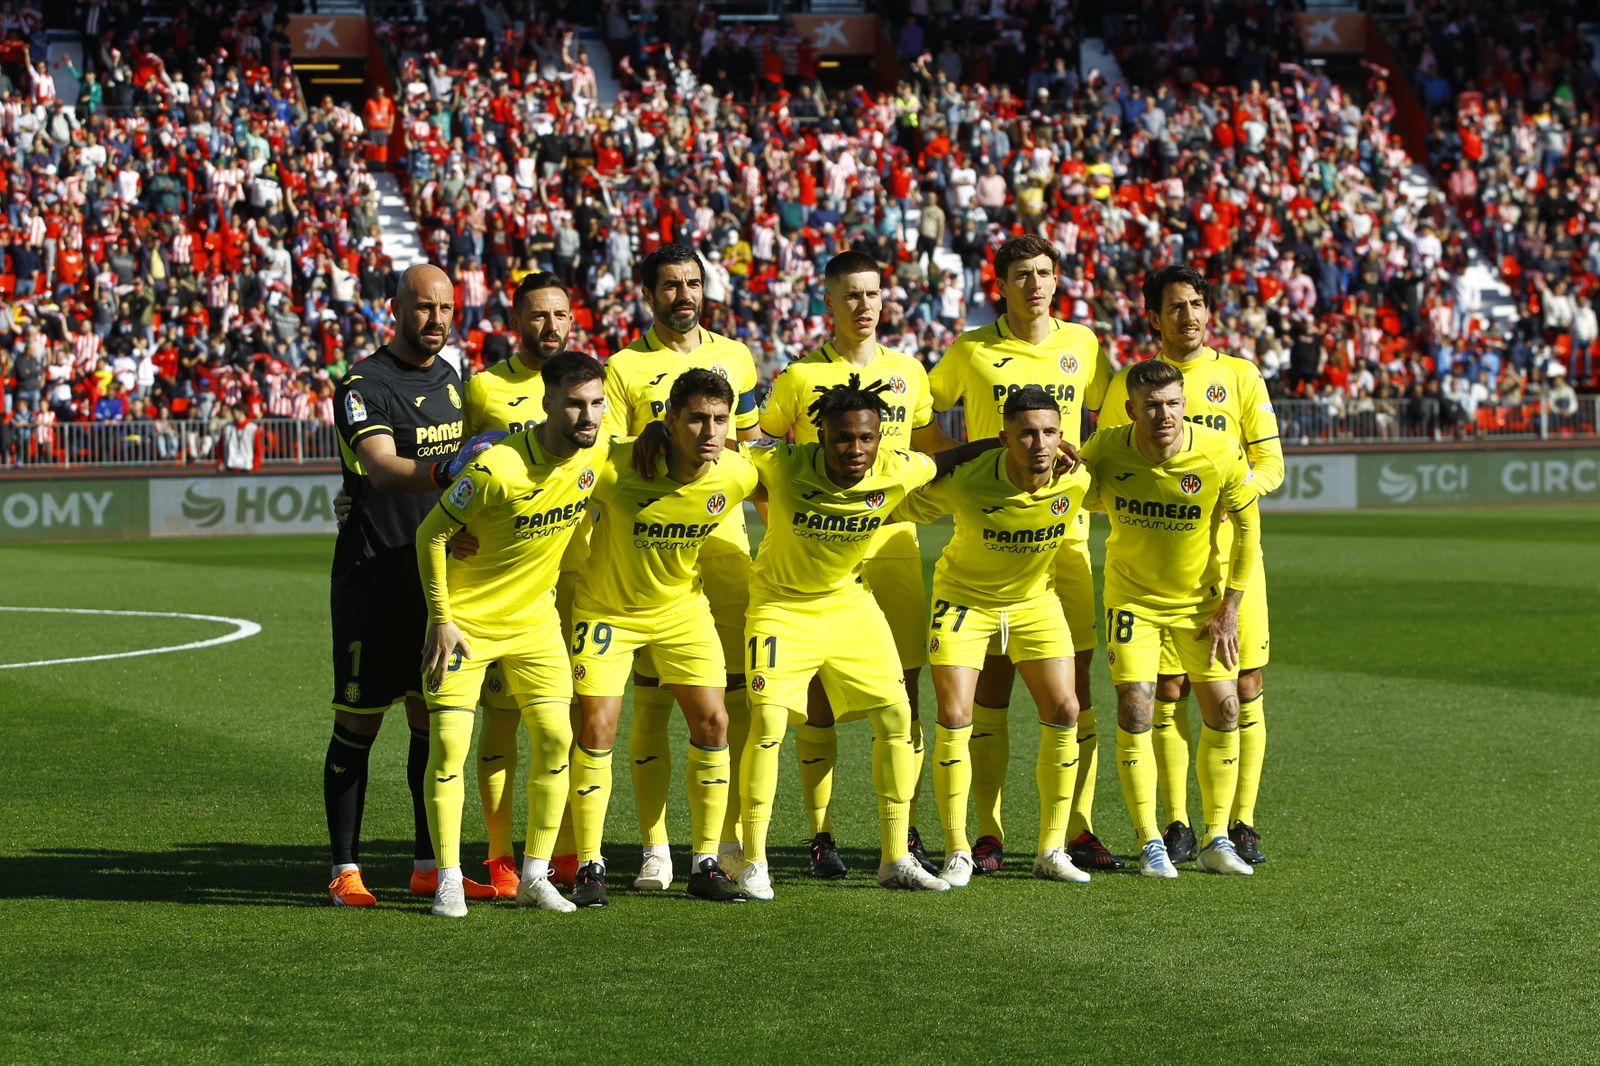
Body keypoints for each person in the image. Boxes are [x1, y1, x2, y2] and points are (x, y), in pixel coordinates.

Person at [685, 377, 1001, 899]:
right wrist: (659, 435)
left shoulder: (896, 467)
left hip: (849, 603)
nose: (855, 449)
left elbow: (949, 458)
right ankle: (753, 860)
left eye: (866, 438)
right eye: (842, 438)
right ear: (820, 437)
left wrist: (1005, 443)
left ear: (879, 438)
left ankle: (895, 857)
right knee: (768, 722)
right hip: (781, 606)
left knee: (897, 716)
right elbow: (725, 446)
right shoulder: (783, 463)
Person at [757, 249, 949, 879]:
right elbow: (762, 448)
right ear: (829, 303)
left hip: (891, 547)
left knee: (903, 691)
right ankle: (821, 834)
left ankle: (905, 833)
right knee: (817, 693)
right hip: (819, 559)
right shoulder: (800, 376)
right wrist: (789, 518)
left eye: (872, 294)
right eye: (851, 296)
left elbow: (931, 449)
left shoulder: (909, 371)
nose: (864, 306)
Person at [928, 234, 1115, 874]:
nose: (1034, 285)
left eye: (1043, 273)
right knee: (992, 687)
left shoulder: (1083, 344)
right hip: (991, 530)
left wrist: (1080, 464)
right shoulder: (971, 349)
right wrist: (967, 462)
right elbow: (922, 415)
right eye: (1021, 275)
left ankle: (1076, 829)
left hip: (1065, 540)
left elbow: (1110, 418)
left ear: (1057, 279)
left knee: (1073, 692)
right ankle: (986, 831)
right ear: (1001, 285)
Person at [1096, 265, 1283, 864]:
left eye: (1197, 304)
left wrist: (1230, 496)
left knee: (1243, 686)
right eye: (1176, 306)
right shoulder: (1131, 383)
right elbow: (1111, 462)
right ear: (1154, 317)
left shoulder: (1240, 375)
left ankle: (1240, 821)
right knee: (1168, 689)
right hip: (1157, 565)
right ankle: (1175, 821)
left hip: (1230, 563)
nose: (1189, 316)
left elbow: (1271, 465)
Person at [413, 351, 608, 918]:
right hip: (465, 626)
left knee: (555, 739)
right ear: (547, 403)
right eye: (574, 404)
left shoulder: (597, 454)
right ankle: (450, 879)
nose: (587, 415)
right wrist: (441, 618)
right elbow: (430, 535)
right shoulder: (497, 467)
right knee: (449, 749)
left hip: (534, 626)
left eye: (596, 403)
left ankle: (534, 876)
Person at [323, 264, 493, 908]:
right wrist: (449, 469)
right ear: (396, 309)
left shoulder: (451, 378)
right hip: (374, 578)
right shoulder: (364, 384)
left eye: (446, 308)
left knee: (432, 724)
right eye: (424, 307)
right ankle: (344, 869)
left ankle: (429, 865)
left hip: (435, 583)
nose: (436, 319)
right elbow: (382, 467)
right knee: (358, 723)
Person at [601, 243, 764, 889]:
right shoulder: (624, 367)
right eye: (670, 285)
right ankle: (655, 847)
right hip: (652, 557)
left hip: (724, 549)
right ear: (649, 295)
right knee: (652, 702)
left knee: (733, 700)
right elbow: (606, 453)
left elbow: (751, 446)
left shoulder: (737, 356)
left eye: (693, 283)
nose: (684, 295)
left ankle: (727, 841)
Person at [567, 369, 758, 907]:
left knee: (715, 722)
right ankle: (589, 866)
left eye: (719, 419)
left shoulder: (736, 473)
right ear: (670, 420)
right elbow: (547, 470)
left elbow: (795, 480)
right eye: (696, 418)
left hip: (680, 611)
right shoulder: (619, 464)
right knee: (597, 727)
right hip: (607, 612)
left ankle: (704, 862)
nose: (710, 431)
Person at [895, 386, 1093, 886]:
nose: (1039, 443)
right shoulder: (968, 481)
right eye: (1026, 433)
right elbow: (904, 502)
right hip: (964, 602)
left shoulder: (1076, 479)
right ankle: (958, 849)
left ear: (1062, 436)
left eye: (1049, 432)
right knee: (954, 715)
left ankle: (1050, 849)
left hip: (1034, 603)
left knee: (1066, 708)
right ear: (1004, 438)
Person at [1079, 359, 1260, 878]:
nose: (1164, 415)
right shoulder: (1105, 448)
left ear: (1185, 404)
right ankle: (1150, 841)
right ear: (1131, 408)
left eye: (1173, 404)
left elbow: (1249, 529)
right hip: (1132, 603)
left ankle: (1217, 838)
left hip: (1202, 606)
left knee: (1226, 709)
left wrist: (1231, 606)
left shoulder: (1219, 451)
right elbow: (1072, 492)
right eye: (1152, 406)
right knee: (1136, 711)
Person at [216, 404, 261, 472]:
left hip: (247, 467)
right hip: (230, 467)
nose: (233, 414)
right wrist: (220, 462)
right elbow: (219, 447)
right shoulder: (227, 428)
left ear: (242, 412)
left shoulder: (253, 428)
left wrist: (255, 467)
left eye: (234, 412)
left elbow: (258, 450)